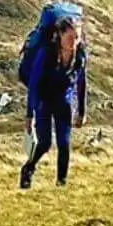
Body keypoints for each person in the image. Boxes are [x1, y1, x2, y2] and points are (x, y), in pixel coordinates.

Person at [19, 13, 86, 189]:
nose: (74, 42)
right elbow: (34, 84)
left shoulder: (80, 55)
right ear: (60, 35)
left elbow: (81, 82)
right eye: (71, 37)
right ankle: (28, 168)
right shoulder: (46, 53)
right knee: (45, 143)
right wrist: (29, 115)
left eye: (77, 38)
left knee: (64, 144)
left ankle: (61, 184)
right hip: (44, 101)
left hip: (64, 102)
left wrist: (81, 111)